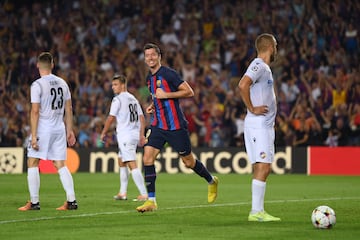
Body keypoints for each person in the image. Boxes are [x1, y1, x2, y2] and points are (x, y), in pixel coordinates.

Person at [136, 43, 219, 213]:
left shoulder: (169, 74)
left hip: (175, 126)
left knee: (188, 162)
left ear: (159, 56)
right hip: (158, 125)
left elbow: (189, 92)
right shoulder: (148, 78)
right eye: (147, 55)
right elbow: (158, 97)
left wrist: (166, 95)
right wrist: (153, 104)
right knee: (147, 158)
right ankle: (151, 200)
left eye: (153, 55)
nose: (150, 58)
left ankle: (211, 181)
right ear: (145, 59)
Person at [18, 52, 78, 211]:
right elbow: (69, 108)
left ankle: (34, 202)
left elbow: (35, 111)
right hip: (59, 128)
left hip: (44, 128)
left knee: (32, 161)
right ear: (52, 65)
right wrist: (69, 130)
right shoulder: (62, 83)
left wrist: (34, 135)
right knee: (60, 164)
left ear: (37, 65)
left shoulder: (37, 85)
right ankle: (71, 201)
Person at [238, 33, 281, 221]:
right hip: (259, 125)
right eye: (276, 45)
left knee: (260, 166)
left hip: (262, 125)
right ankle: (256, 212)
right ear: (270, 46)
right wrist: (252, 108)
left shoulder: (264, 68)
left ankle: (257, 211)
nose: (277, 49)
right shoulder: (259, 65)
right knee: (264, 166)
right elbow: (242, 85)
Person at [100, 74, 148, 202]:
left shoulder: (118, 99)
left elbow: (111, 117)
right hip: (133, 134)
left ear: (123, 85)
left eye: (115, 85)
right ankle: (122, 193)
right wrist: (141, 134)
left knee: (131, 163)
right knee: (121, 161)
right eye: (112, 85)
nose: (113, 87)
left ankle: (144, 194)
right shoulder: (133, 99)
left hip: (126, 135)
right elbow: (142, 118)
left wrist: (104, 131)